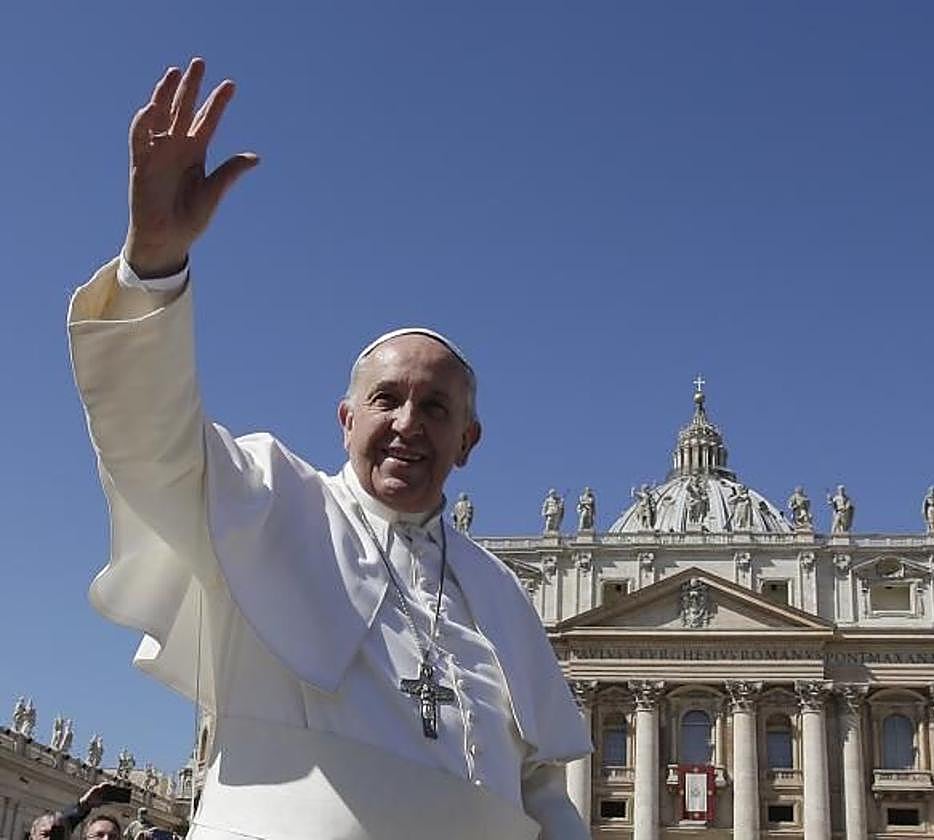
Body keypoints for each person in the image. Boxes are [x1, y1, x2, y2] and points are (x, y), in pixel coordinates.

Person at [68, 59, 590, 840]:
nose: (410, 422)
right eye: (388, 399)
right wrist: (153, 264)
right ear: (345, 418)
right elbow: (150, 440)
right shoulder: (270, 501)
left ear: (468, 442)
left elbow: (542, 785)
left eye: (436, 407)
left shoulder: (503, 594)